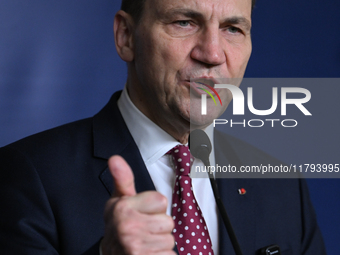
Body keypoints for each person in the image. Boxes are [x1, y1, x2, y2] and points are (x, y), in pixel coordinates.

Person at [0, 0, 326, 254]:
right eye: (184, 22)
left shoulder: (280, 181)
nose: (212, 53)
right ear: (126, 37)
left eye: (232, 29)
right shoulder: (27, 176)